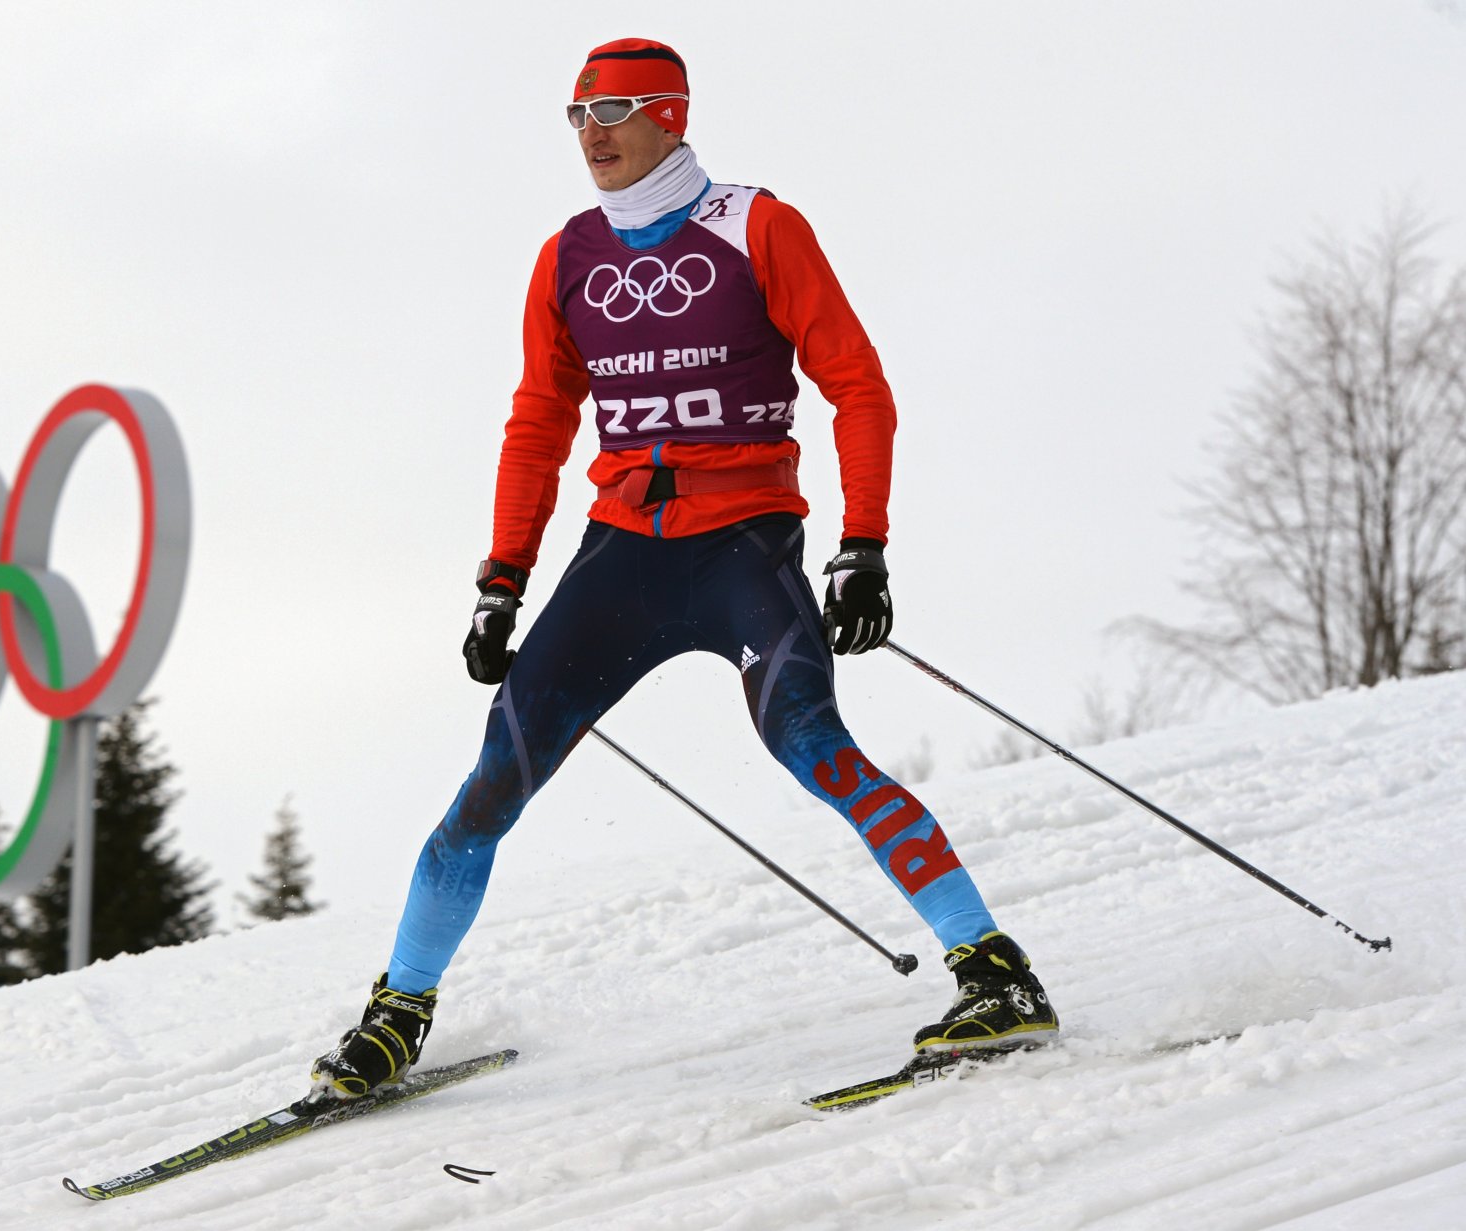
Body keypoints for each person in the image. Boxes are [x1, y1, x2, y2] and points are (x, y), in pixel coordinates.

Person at [308, 37, 1056, 1103]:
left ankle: (994, 972)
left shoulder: (759, 225)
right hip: (620, 557)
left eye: (611, 107)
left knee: (814, 746)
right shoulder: (568, 255)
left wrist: (865, 545)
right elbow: (538, 420)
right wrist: (502, 578)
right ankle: (397, 1014)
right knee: (492, 782)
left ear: (669, 112)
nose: (591, 130)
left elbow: (859, 386)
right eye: (575, 112)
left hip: (743, 546)